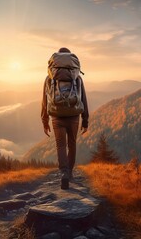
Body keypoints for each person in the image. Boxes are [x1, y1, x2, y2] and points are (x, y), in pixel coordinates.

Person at [41, 47, 89, 190]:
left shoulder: (50, 78)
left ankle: (64, 173)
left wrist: (44, 121)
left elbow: (44, 101)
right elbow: (83, 99)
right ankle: (70, 173)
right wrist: (85, 120)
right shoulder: (77, 77)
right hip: (74, 115)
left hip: (56, 116)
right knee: (72, 144)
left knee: (60, 145)